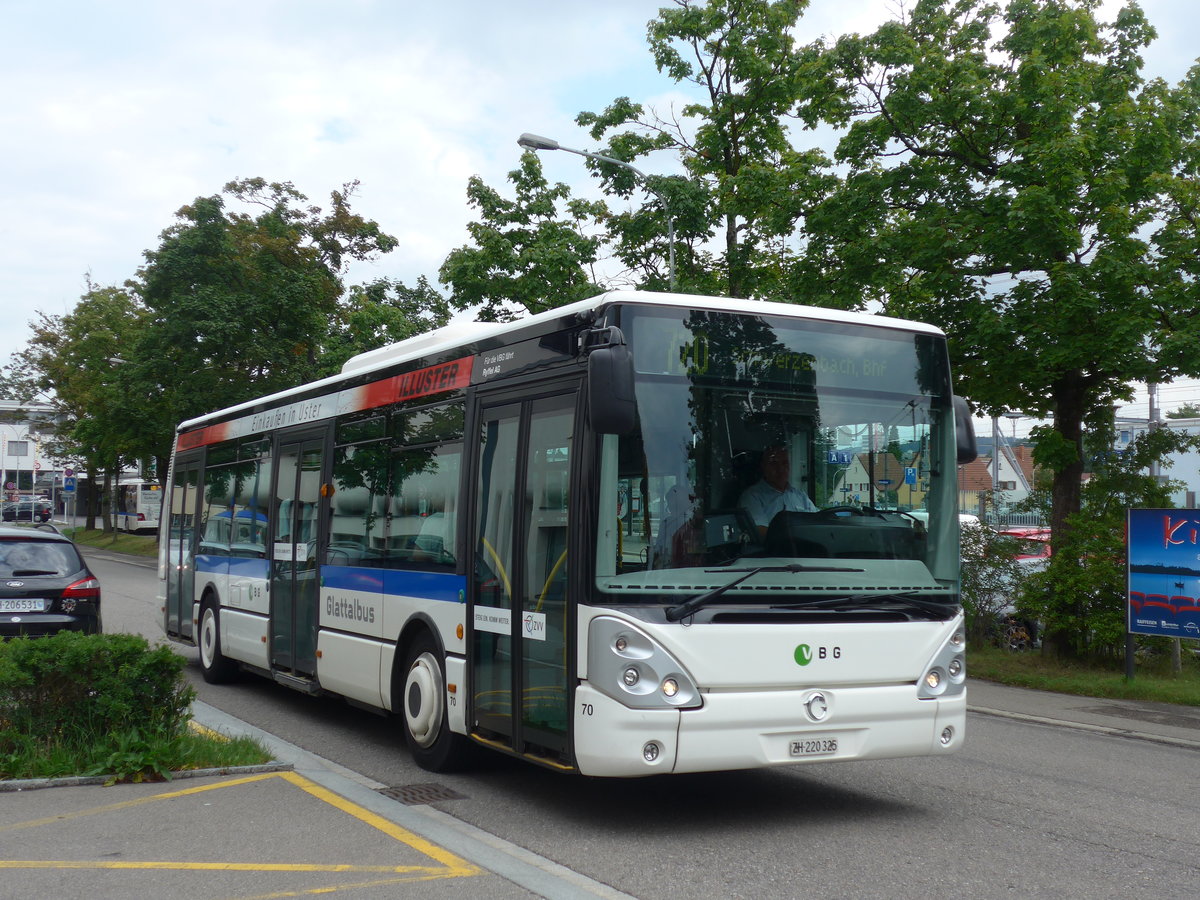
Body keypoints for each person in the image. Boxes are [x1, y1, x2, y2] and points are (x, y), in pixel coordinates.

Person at [738, 446, 817, 536]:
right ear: (763, 466)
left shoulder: (800, 496)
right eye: (774, 463)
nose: (780, 469)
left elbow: (818, 522)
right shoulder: (752, 497)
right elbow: (759, 532)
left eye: (784, 463)